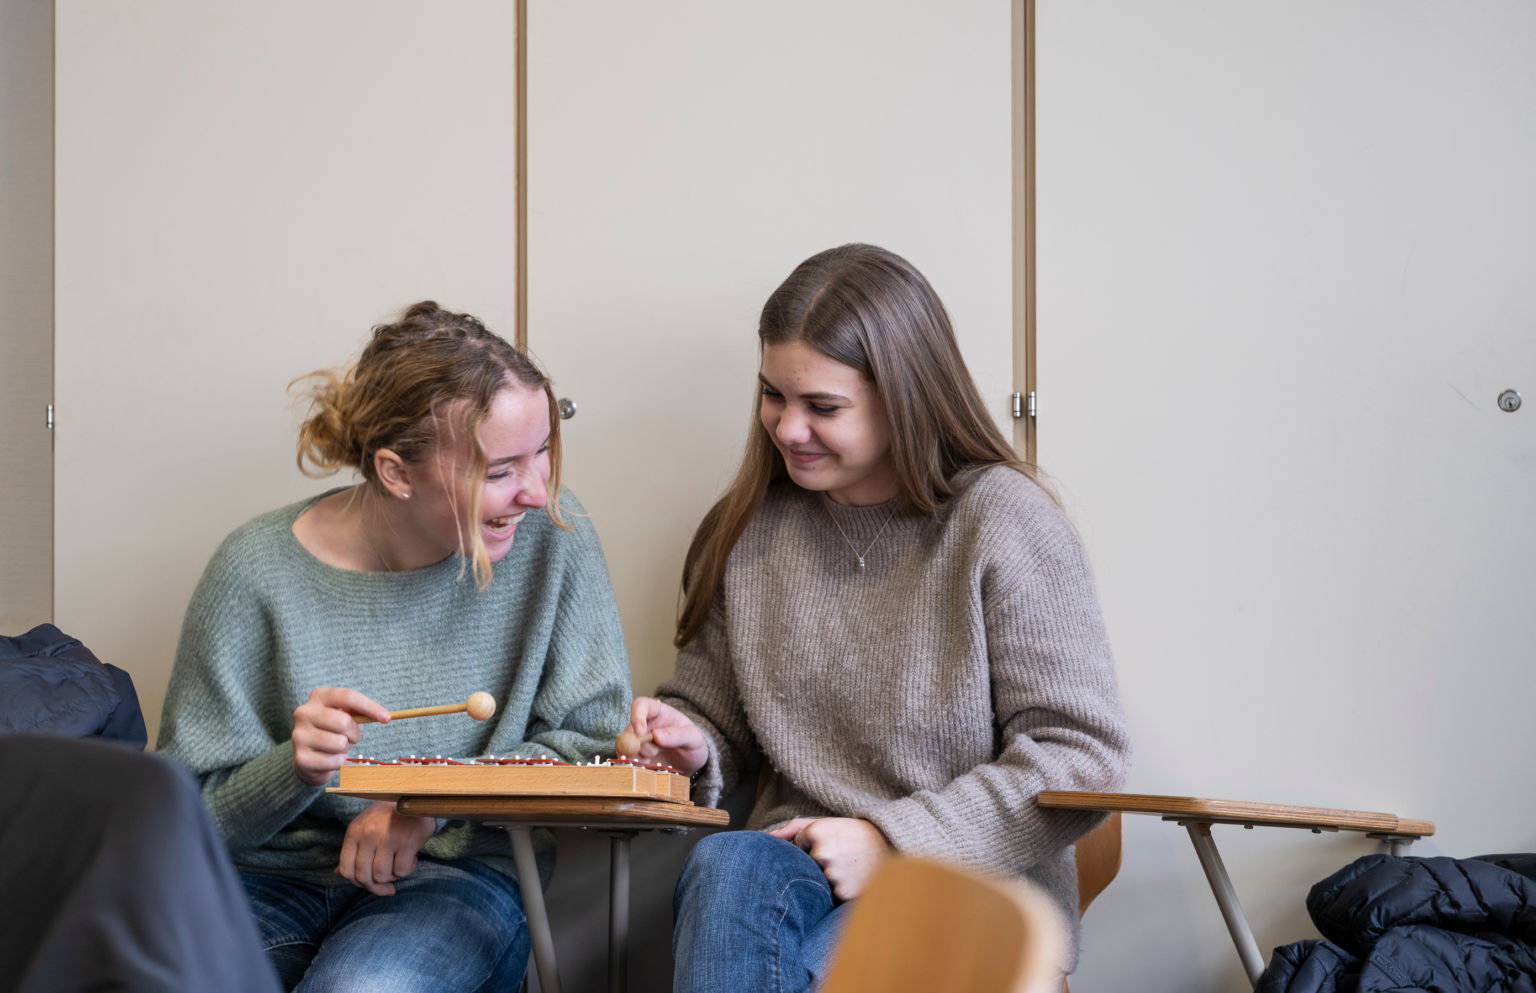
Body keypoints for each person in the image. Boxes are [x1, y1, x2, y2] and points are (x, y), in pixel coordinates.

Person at [614, 245, 1131, 992]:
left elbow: (1080, 755)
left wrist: (892, 840)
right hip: (790, 872)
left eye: (822, 407)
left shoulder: (1003, 521)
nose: (788, 428)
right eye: (772, 395)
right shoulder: (747, 531)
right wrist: (688, 746)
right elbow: (715, 717)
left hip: (968, 884)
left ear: (906, 396)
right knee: (727, 860)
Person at [158, 302, 632, 993]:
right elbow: (186, 822)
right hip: (266, 881)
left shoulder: (555, 536)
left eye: (543, 452)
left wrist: (427, 805)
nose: (537, 491)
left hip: (457, 876)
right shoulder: (253, 571)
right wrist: (294, 769)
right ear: (396, 472)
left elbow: (591, 744)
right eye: (501, 470)